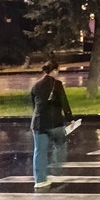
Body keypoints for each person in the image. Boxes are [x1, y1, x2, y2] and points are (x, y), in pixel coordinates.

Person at [29, 59, 73, 189]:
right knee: (61, 143)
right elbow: (64, 103)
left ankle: (40, 180)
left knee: (39, 151)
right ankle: (56, 167)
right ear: (54, 70)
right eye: (57, 70)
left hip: (38, 123)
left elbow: (34, 105)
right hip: (55, 122)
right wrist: (70, 118)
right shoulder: (57, 84)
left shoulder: (35, 86)